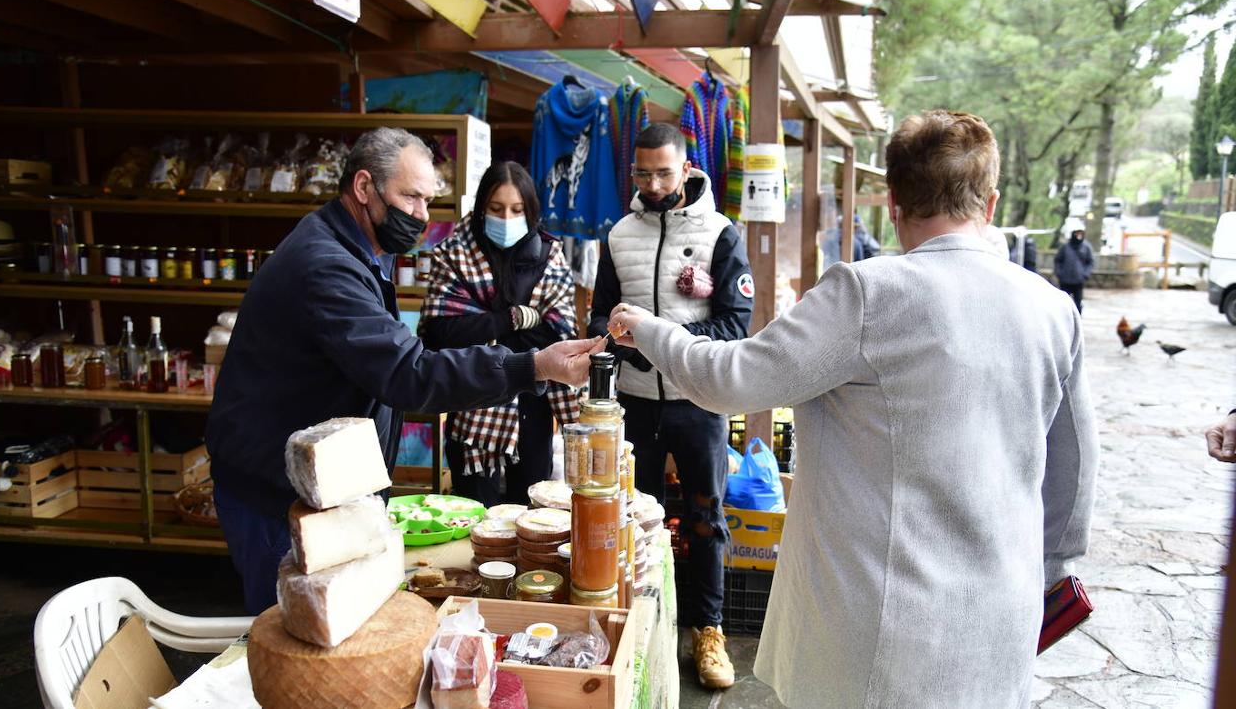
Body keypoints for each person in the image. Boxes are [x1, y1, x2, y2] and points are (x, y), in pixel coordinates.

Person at [600, 110, 1100, 707]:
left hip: (876, 626)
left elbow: (729, 380)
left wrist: (651, 330)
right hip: (1001, 618)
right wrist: (1051, 568)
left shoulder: (867, 293)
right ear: (988, 204)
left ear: (893, 203)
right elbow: (1073, 477)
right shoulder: (1052, 308)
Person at [206, 128, 598, 614]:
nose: (420, 214)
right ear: (365, 187)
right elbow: (409, 373)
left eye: (428, 199)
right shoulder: (326, 264)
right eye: (409, 196)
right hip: (275, 493)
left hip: (310, 484)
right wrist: (533, 364)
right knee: (286, 642)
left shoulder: (357, 250)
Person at [588, 122, 753, 690]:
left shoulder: (721, 233)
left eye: (664, 171)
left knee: (705, 520)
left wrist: (664, 343)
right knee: (637, 520)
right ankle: (646, 624)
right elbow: (599, 317)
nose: (653, 183)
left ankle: (707, 632)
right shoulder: (618, 236)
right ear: (632, 172)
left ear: (686, 169)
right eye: (642, 173)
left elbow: (736, 324)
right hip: (635, 403)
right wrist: (629, 353)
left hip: (700, 402)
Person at [420, 162, 580, 505]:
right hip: (471, 405)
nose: (506, 219)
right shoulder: (454, 254)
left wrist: (483, 329)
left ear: (530, 211)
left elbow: (559, 333)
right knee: (475, 515)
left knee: (531, 512)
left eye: (516, 210)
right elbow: (439, 332)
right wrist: (514, 319)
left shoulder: (549, 257)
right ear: (481, 210)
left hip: (533, 405)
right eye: (496, 209)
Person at [1054, 219, 1095, 311]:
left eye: (1081, 234)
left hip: (1078, 280)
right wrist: (1059, 273)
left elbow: (1090, 262)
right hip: (1065, 280)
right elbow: (1058, 260)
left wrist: (1085, 274)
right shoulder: (1065, 247)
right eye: (1077, 233)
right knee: (1064, 303)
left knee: (1078, 303)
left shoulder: (1086, 247)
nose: (1079, 236)